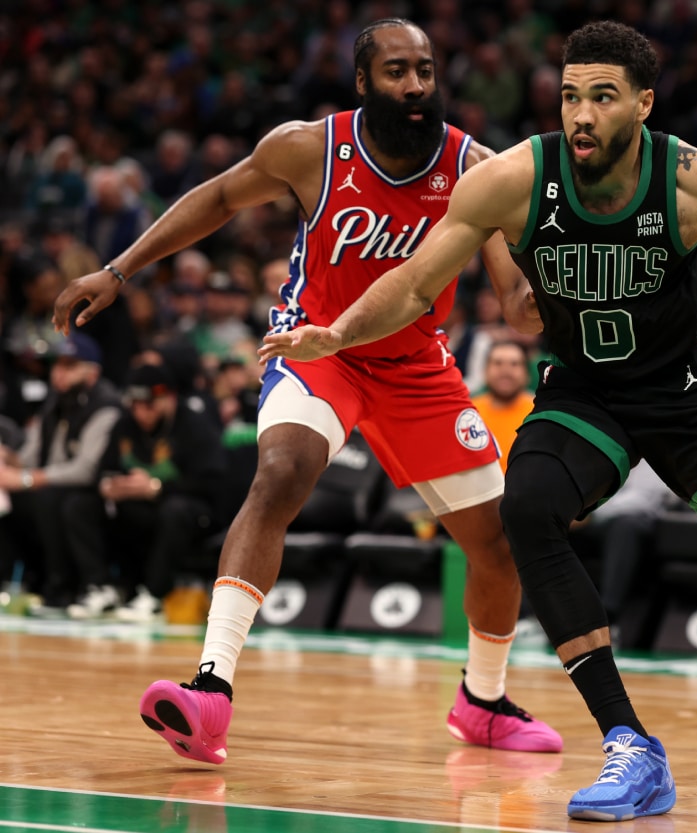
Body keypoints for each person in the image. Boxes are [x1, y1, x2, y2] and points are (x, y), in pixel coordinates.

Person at [259, 21, 697, 821]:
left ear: (642, 104)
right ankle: (631, 745)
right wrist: (336, 333)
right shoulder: (511, 181)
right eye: (571, 95)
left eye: (602, 97)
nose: (581, 114)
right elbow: (411, 281)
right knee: (527, 508)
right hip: (587, 394)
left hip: (686, 392)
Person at [51, 19, 562, 764]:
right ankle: (211, 690)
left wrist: (555, 289)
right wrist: (119, 271)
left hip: (418, 363)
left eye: (424, 69)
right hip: (317, 347)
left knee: (499, 545)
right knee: (282, 471)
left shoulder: (475, 168)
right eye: (396, 71)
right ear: (363, 83)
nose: (415, 86)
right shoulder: (310, 147)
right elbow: (219, 197)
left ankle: (482, 703)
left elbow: (515, 302)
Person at [0, 332, 121, 615]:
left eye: (70, 365)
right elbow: (29, 455)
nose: (59, 373)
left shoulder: (106, 406)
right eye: (57, 364)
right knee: (8, 497)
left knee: (51, 499)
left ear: (92, 372)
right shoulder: (54, 403)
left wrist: (29, 480)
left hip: (96, 491)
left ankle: (67, 587)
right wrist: (7, 458)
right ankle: (22, 581)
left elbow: (85, 469)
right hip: (54, 485)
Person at [98, 362, 226, 622]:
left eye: (149, 405)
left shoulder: (195, 426)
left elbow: (213, 483)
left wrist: (156, 488)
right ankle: (105, 588)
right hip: (142, 506)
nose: (140, 413)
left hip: (195, 510)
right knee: (83, 504)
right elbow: (104, 469)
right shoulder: (125, 425)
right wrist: (109, 486)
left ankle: (155, 595)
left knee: (174, 511)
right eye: (134, 405)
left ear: (169, 398)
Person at [470, 340, 533, 472]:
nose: (505, 371)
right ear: (485, 371)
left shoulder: (540, 412)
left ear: (527, 374)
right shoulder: (469, 413)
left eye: (514, 364)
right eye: (497, 363)